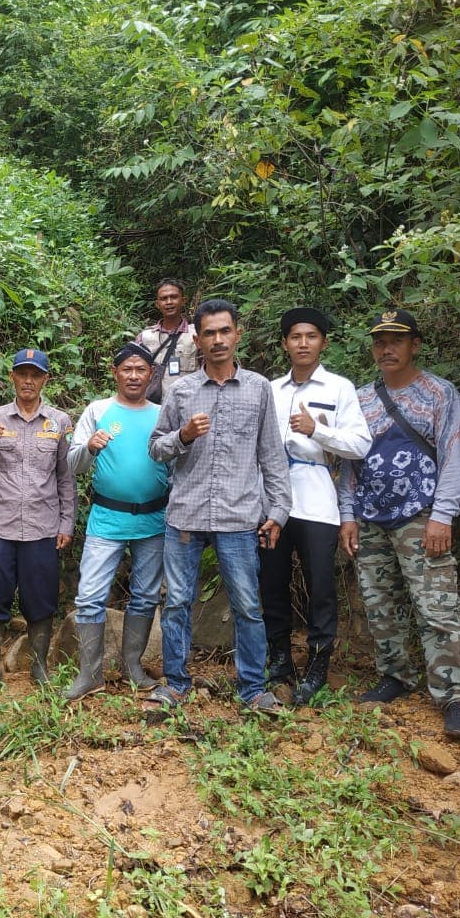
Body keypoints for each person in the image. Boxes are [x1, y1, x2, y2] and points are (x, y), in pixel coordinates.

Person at [337, 309, 460, 741]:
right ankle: (395, 676)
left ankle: (457, 695)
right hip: (370, 516)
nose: (386, 349)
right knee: (380, 604)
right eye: (380, 341)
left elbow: (454, 455)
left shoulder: (439, 393)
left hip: (421, 515)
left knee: (437, 606)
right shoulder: (360, 398)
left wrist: (443, 515)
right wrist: (348, 514)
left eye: (396, 340)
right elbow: (349, 462)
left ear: (414, 344)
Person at [146, 299, 292, 713]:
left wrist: (278, 511)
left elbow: (271, 456)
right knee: (176, 602)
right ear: (197, 339)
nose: (217, 340)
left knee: (247, 604)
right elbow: (156, 449)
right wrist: (184, 436)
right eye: (208, 333)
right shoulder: (182, 391)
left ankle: (252, 689)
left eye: (224, 331)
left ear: (237, 334)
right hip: (186, 517)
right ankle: (175, 685)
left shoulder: (259, 388)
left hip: (239, 516)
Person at [260, 308, 371, 706]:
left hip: (317, 499)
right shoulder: (270, 388)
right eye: (294, 337)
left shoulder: (340, 387)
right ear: (285, 343)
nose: (302, 343)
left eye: (310, 336)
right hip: (272, 500)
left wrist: (317, 431)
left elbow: (360, 444)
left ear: (323, 342)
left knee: (320, 586)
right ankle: (279, 660)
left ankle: (319, 664)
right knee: (271, 583)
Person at [0, 349, 76, 690]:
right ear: (11, 377)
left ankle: (39, 667)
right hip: (1, 527)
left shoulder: (59, 422)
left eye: (35, 374)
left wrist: (67, 523)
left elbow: (66, 477)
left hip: (42, 528)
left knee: (41, 601)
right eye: (22, 373)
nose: (28, 380)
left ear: (45, 380)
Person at [63, 342, 170, 700]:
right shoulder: (98, 410)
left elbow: (174, 462)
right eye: (127, 369)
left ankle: (132, 667)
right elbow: (72, 464)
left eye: (141, 369)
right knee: (90, 596)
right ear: (115, 373)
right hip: (107, 517)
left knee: (144, 596)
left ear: (150, 374)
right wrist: (90, 446)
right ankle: (90, 673)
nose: (134, 376)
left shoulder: (162, 413)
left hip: (154, 518)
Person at [135, 278, 198, 402]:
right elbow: (135, 372)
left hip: (186, 405)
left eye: (173, 297)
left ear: (183, 301)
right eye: (163, 298)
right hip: (152, 407)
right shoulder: (145, 337)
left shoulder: (196, 335)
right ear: (157, 304)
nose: (169, 302)